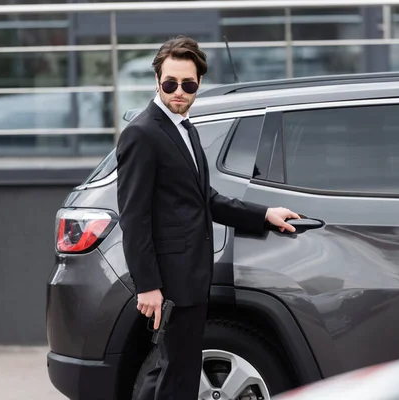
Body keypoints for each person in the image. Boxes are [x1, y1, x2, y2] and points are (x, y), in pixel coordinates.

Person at [116, 36, 300, 400]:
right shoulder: (142, 133)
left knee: (170, 371)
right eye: (170, 83)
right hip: (169, 283)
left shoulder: (185, 128)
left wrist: (263, 214)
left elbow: (205, 200)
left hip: (191, 276)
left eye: (188, 84)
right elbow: (133, 217)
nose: (179, 92)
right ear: (157, 80)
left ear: (199, 82)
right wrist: (147, 285)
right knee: (178, 376)